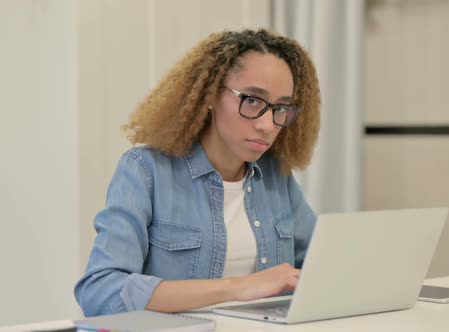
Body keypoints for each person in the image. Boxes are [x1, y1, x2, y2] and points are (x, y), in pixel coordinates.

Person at [74, 28, 321, 317]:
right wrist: (236, 288)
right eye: (252, 100)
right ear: (211, 95)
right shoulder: (146, 170)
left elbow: (321, 268)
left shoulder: (277, 177)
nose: (267, 125)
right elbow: (100, 290)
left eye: (280, 108)